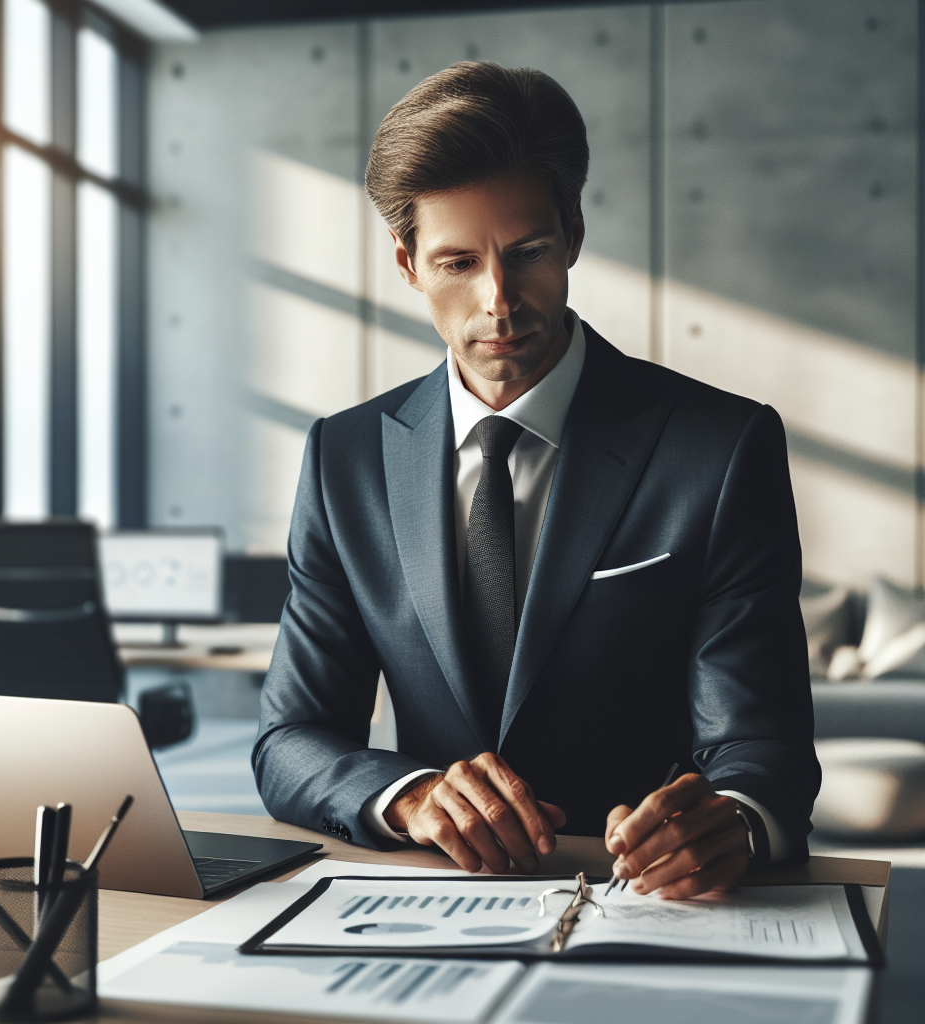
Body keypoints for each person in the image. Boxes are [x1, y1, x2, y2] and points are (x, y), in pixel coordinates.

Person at [253, 62, 819, 899]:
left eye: (527, 253)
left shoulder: (720, 446)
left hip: (646, 903)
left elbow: (760, 745)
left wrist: (731, 819)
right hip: (423, 901)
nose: (499, 301)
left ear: (573, 237)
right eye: (457, 264)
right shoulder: (345, 458)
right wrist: (408, 798)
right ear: (408, 265)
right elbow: (292, 737)